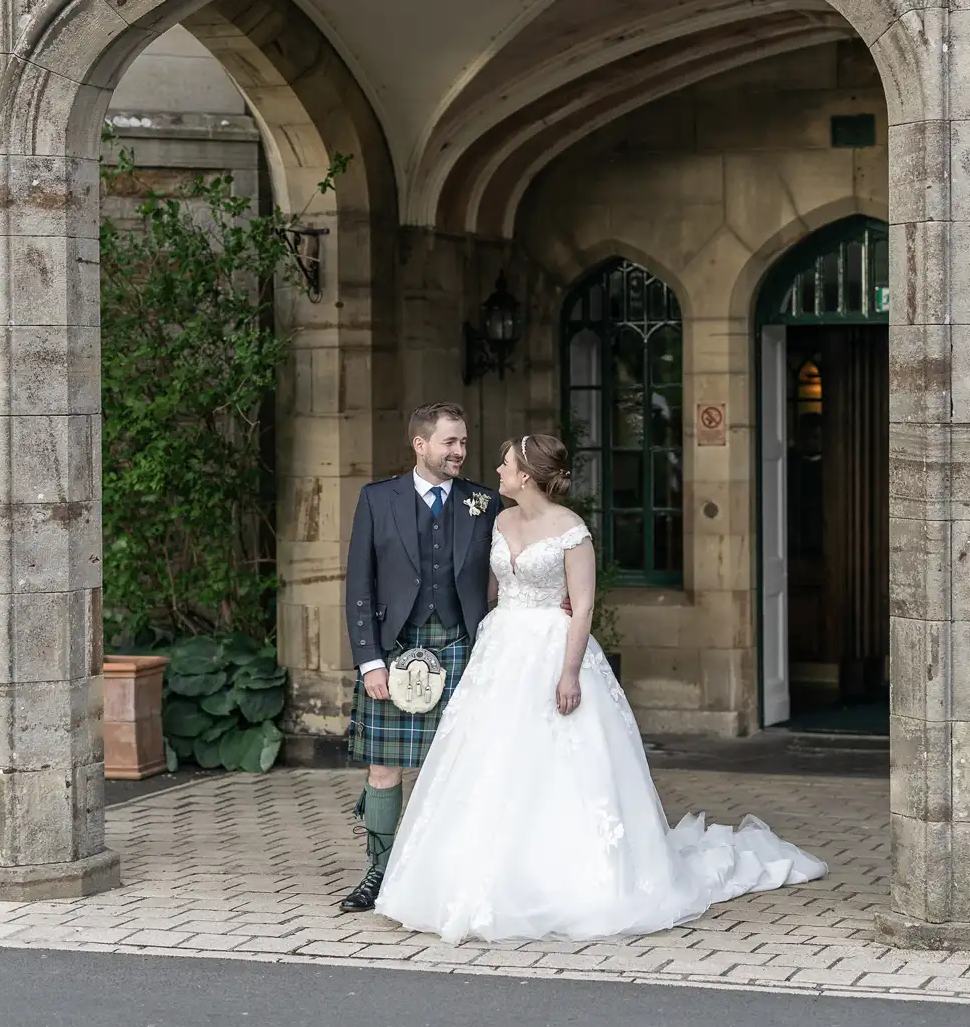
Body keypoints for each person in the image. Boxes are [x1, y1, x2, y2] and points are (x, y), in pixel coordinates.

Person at [374, 433, 826, 942]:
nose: (496, 471)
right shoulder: (498, 521)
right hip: (501, 650)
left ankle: (572, 881)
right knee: (490, 759)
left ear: (525, 475)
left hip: (553, 648)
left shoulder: (572, 530)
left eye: (504, 464)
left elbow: (583, 606)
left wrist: (569, 673)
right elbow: (491, 590)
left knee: (561, 762)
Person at [338, 402, 504, 913]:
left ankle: (446, 874)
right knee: (384, 768)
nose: (460, 451)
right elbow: (359, 585)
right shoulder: (377, 499)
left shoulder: (485, 501)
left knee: (458, 768)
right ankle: (379, 873)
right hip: (396, 650)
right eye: (450, 442)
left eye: (463, 441)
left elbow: (509, 567)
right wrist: (370, 661)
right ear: (421, 445)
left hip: (462, 650)